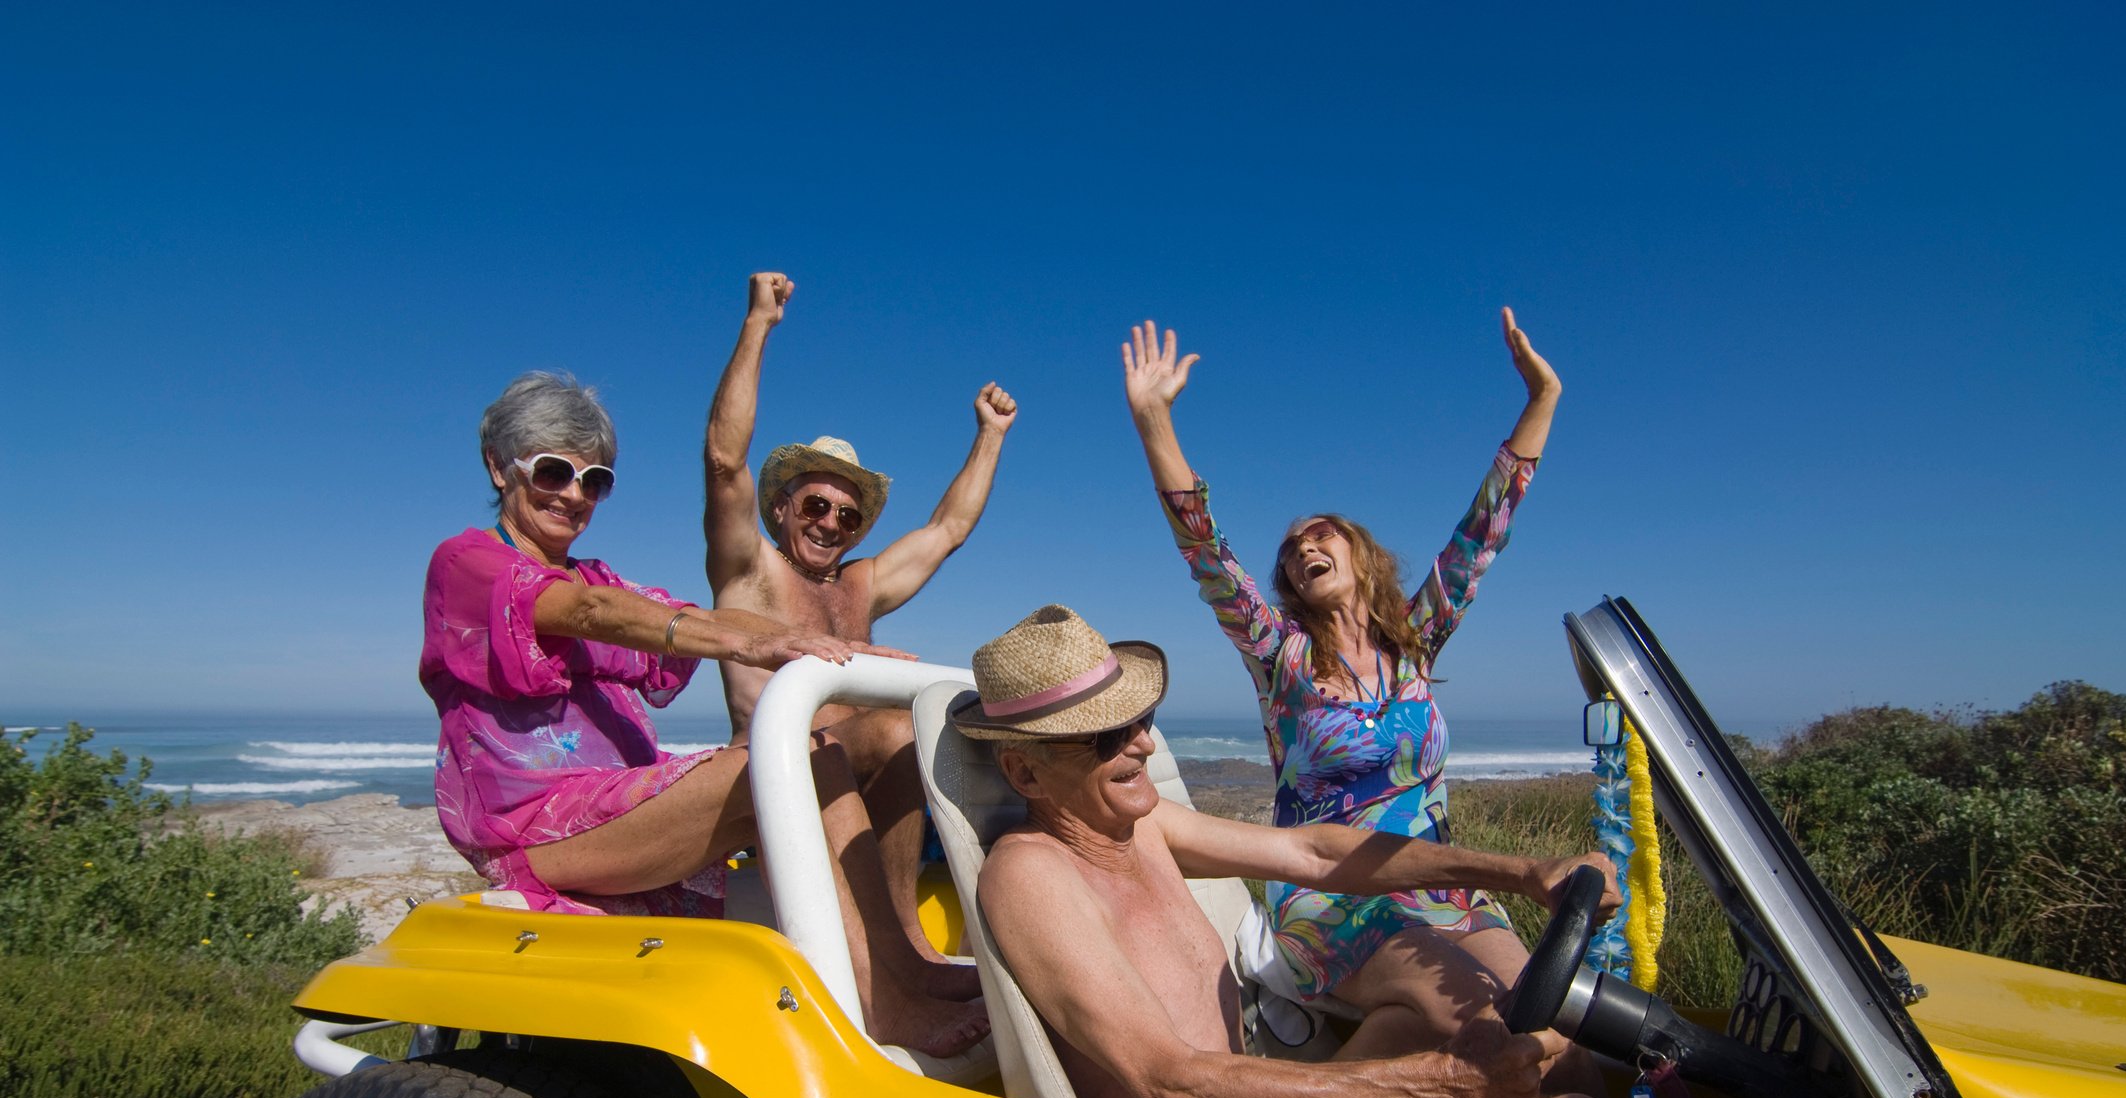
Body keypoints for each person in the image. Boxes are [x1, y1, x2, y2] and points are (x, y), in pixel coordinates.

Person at [961, 606, 1689, 1098]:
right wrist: (1445, 1081)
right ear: (1025, 772)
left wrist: (1523, 872)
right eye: (1107, 737)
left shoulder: (1137, 826)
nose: (1144, 744)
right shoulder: (1032, 875)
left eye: (1140, 720)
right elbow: (1174, 1088)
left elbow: (1315, 853)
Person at [421, 371, 987, 1056]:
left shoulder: (600, 576)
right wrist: (756, 634)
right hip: (531, 832)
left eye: (594, 480)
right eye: (553, 472)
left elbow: (665, 614)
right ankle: (880, 1006)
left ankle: (904, 967)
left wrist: (993, 434)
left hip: (613, 811)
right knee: (789, 759)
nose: (574, 495)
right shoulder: (468, 564)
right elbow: (591, 614)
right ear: (498, 467)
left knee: (830, 750)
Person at [1123, 311, 1571, 1052]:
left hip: (1442, 887)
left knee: (1554, 1033)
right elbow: (1205, 551)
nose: (1304, 547)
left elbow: (1483, 531)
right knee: (1473, 1018)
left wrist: (1541, 400)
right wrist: (1153, 422)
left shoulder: (1417, 642)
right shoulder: (1281, 657)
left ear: (1361, 555)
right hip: (1330, 893)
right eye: (1293, 549)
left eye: (1322, 534)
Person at [702, 272, 1014, 997]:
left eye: (849, 517)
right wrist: (758, 325)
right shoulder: (748, 571)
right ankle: (902, 959)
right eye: (817, 504)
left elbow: (948, 530)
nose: (831, 524)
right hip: (774, 786)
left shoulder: (859, 584)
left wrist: (990, 437)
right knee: (897, 726)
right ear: (781, 507)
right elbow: (723, 463)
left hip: (867, 786)